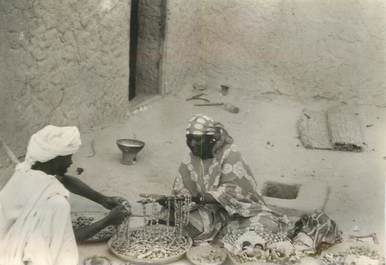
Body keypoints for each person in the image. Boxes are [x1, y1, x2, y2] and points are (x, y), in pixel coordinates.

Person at [160, 114, 341, 256]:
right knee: (176, 221)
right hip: (208, 212)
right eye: (189, 138)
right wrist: (174, 201)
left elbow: (233, 192)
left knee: (261, 230)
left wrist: (202, 197)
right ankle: (220, 237)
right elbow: (182, 188)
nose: (192, 143)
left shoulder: (230, 153)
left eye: (197, 139)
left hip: (242, 212)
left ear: (210, 139)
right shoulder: (190, 156)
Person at [0, 125, 130, 265]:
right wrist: (108, 220)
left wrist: (103, 199)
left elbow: (65, 179)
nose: (71, 162)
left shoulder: (26, 170)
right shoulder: (56, 201)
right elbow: (69, 237)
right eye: (68, 157)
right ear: (54, 159)